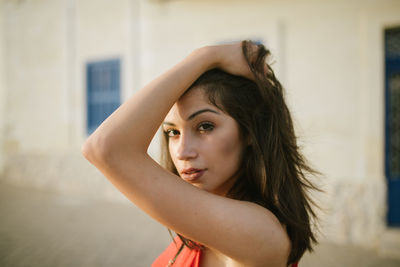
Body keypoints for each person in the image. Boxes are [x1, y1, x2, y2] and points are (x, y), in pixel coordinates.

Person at [82, 40, 319, 267]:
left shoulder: (257, 231)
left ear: (249, 131)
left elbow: (104, 147)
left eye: (205, 126)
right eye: (173, 132)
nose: (183, 152)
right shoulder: (207, 215)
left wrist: (206, 56)